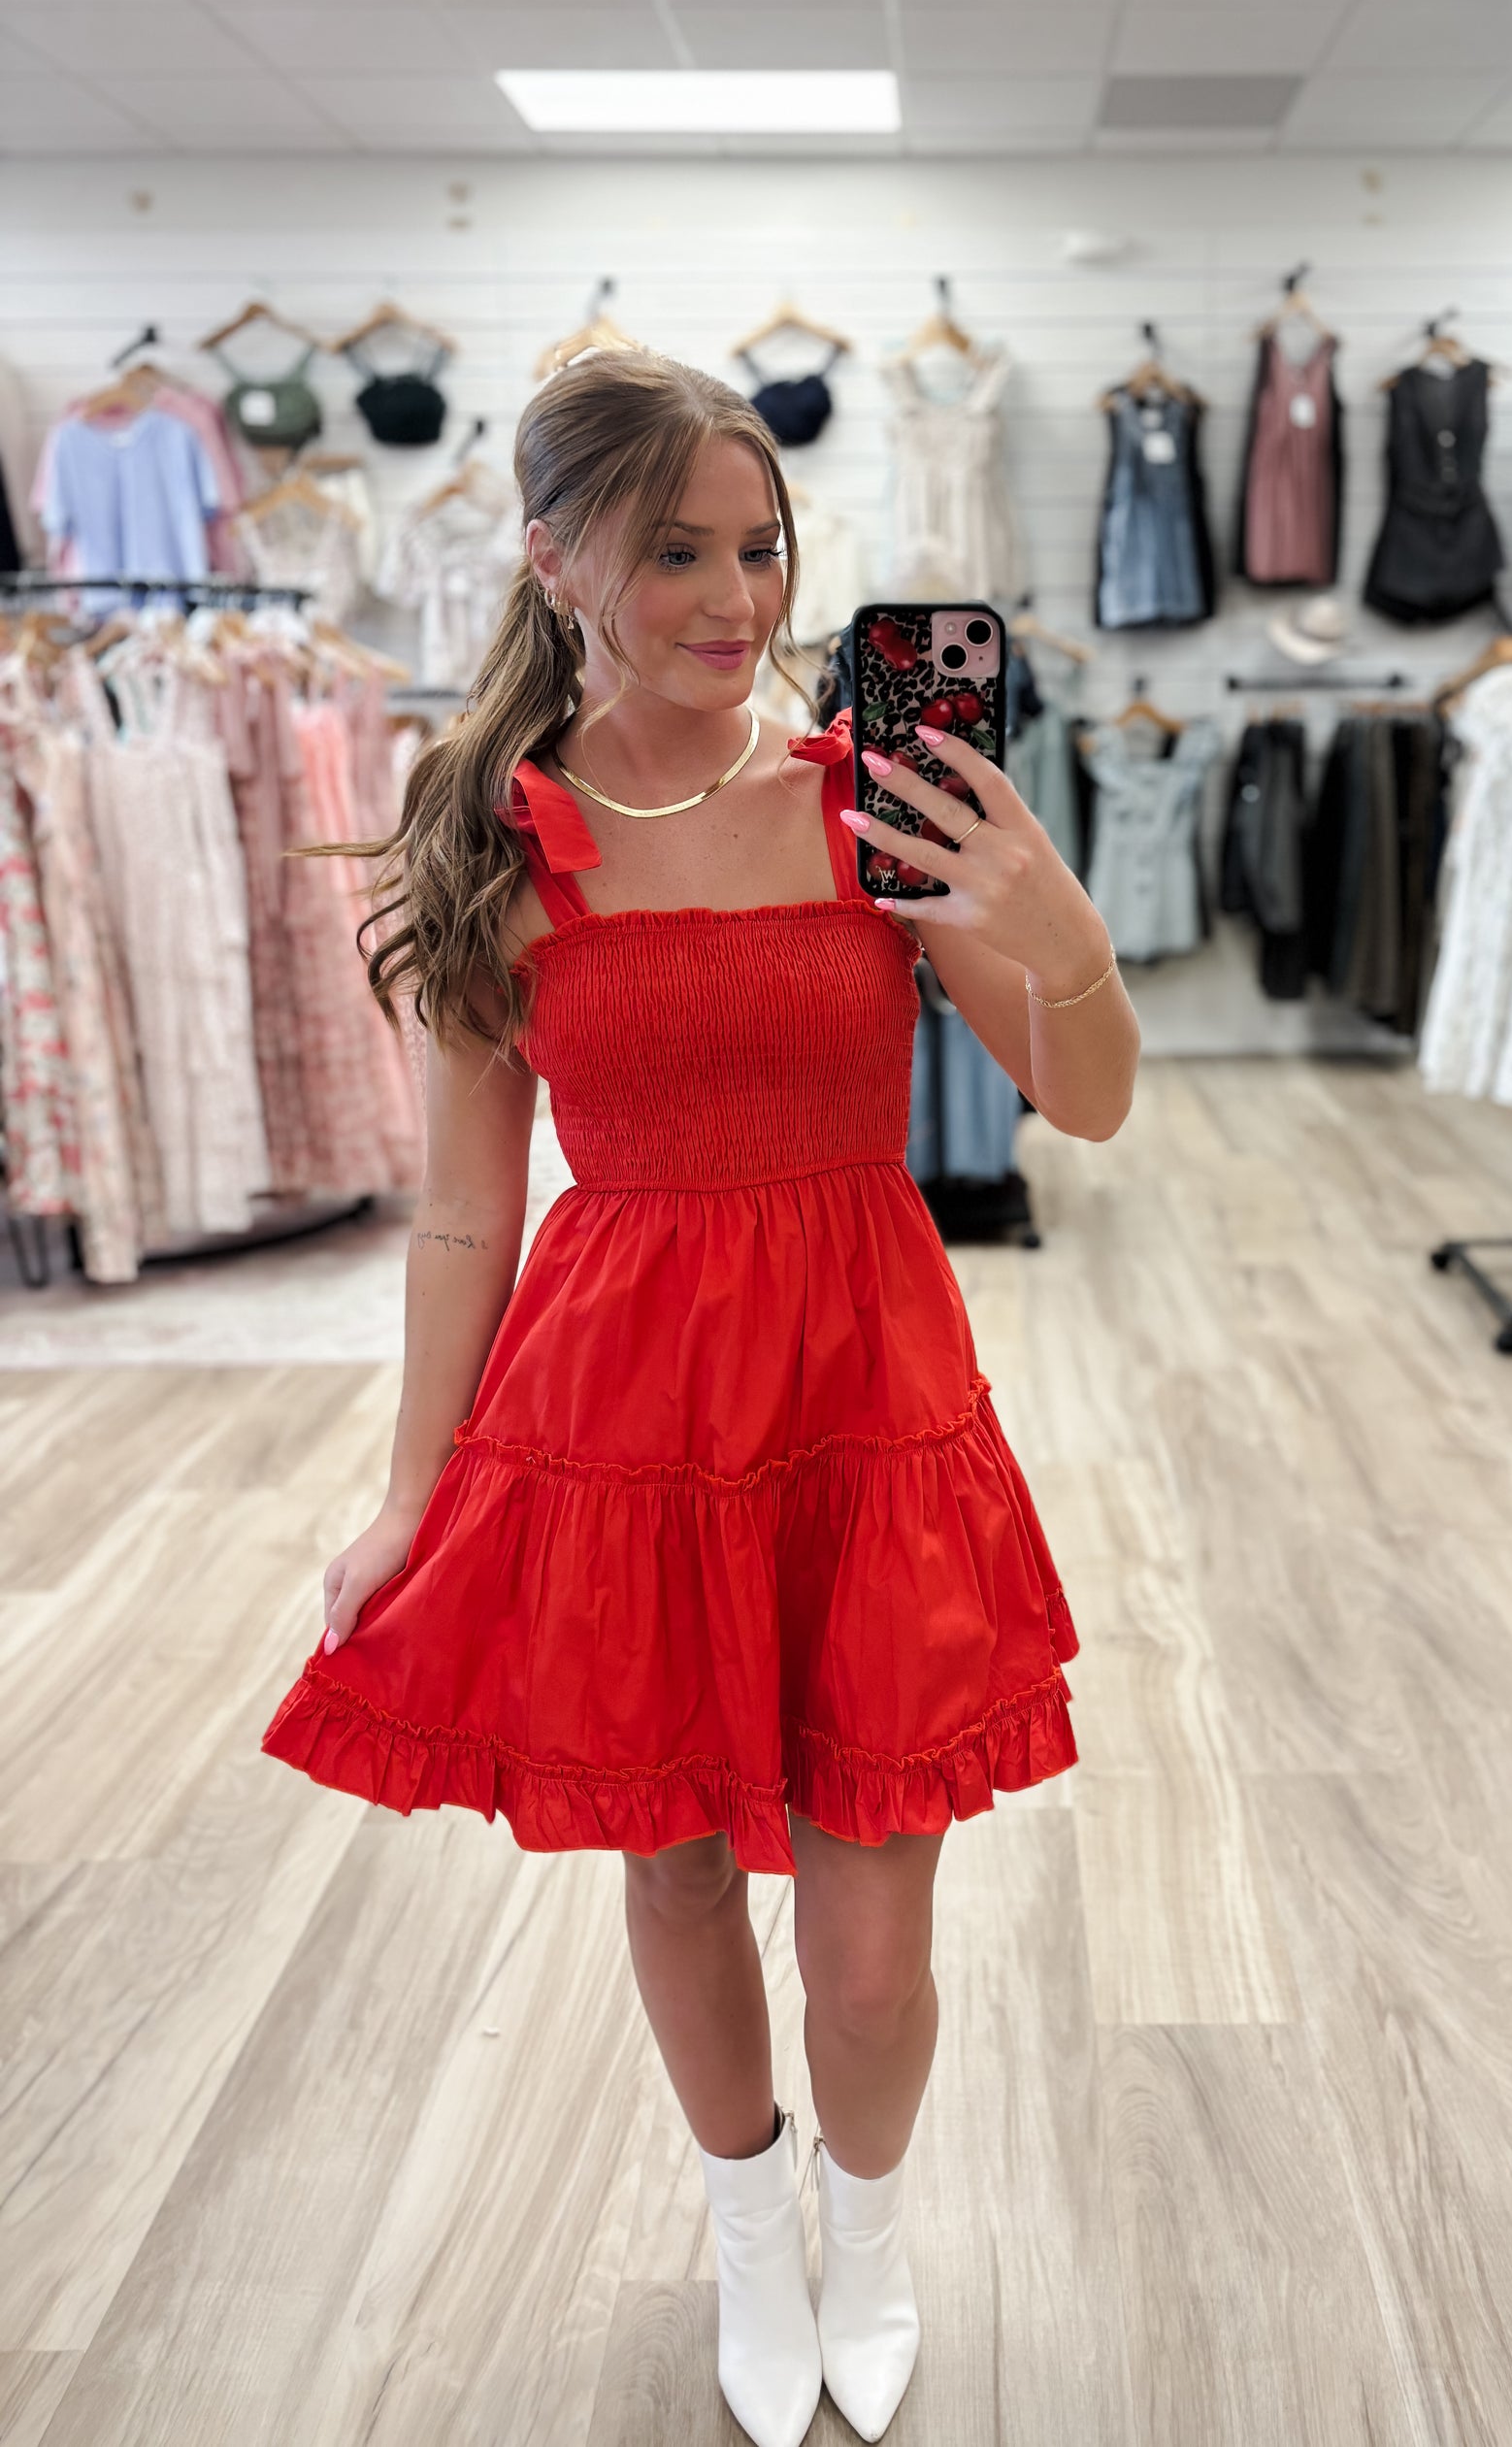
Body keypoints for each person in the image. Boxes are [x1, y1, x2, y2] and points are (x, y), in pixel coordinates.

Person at [259, 348, 1137, 2447]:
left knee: (871, 1929)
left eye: (762, 549)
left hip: (864, 1397)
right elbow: (465, 1210)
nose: (736, 599)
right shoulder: (497, 831)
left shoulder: (867, 795)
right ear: (552, 557)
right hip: (623, 1418)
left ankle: (871, 2228)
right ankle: (751, 2230)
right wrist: (409, 1493)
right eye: (675, 552)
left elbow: (1089, 1100)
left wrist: (1050, 923)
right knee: (668, 1865)